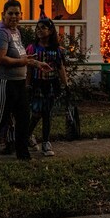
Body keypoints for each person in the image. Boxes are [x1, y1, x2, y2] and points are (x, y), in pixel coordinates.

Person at [0, 0, 52, 162]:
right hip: (4, 82)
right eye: (10, 13)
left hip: (19, 82)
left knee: (23, 119)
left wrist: (35, 63)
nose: (14, 16)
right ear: (3, 15)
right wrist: (25, 62)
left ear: (21, 15)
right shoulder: (0, 33)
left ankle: (23, 155)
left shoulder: (16, 32)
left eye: (17, 13)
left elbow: (20, 56)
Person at [27, 17, 69, 157]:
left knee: (47, 113)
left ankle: (46, 142)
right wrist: (27, 84)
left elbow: (60, 67)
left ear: (50, 31)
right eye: (37, 28)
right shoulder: (33, 48)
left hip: (51, 84)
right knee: (36, 113)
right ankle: (27, 134)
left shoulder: (56, 49)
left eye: (43, 28)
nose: (39, 31)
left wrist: (66, 85)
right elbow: (29, 68)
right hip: (37, 84)